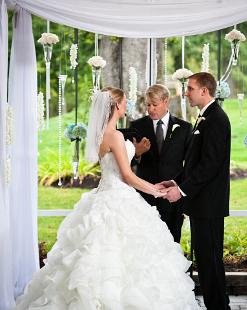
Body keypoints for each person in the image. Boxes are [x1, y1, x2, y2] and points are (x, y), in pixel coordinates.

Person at [13, 87, 198, 309]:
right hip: (118, 195)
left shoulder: (101, 134)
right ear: (117, 106)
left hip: (103, 193)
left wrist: (138, 155)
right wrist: (156, 190)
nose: (127, 105)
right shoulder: (116, 135)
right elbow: (128, 176)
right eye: (124, 102)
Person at [160, 72, 231, 310]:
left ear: (204, 91)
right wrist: (175, 182)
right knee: (206, 260)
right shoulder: (205, 117)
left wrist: (182, 191)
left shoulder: (216, 120)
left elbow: (210, 165)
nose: (186, 92)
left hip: (209, 205)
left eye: (190, 88)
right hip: (202, 204)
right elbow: (194, 163)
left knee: (210, 261)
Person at [129, 84, 192, 242]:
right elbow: (124, 163)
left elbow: (190, 164)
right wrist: (137, 153)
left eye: (154, 105)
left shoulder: (184, 128)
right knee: (145, 243)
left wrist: (180, 189)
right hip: (145, 195)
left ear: (166, 101)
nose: (150, 109)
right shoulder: (137, 127)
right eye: (148, 105)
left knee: (172, 242)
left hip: (171, 196)